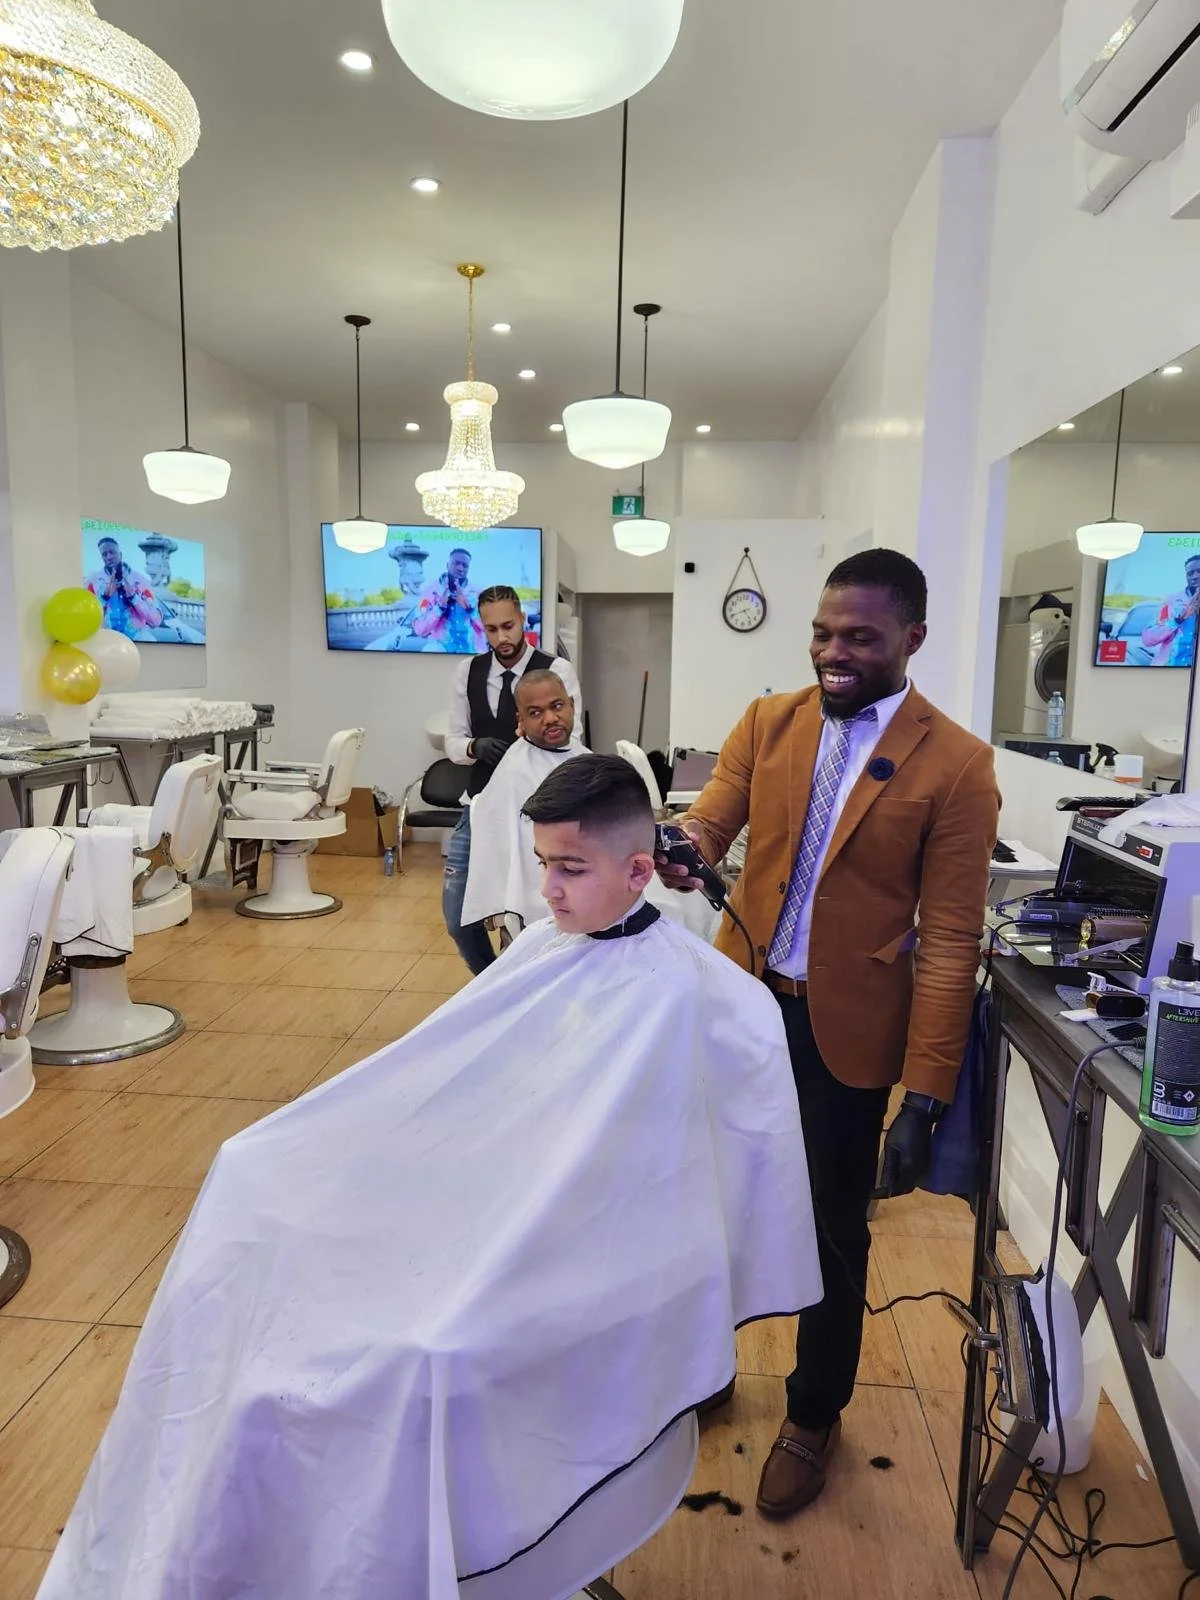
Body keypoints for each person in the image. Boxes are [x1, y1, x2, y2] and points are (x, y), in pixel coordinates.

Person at [41, 755, 822, 1600]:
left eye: (570, 870)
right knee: (252, 1190)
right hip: (484, 1205)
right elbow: (443, 1083)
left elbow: (656, 1185)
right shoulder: (542, 954)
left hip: (574, 1249)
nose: (549, 892)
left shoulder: (699, 995)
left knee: (420, 1354)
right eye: (541, 866)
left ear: (641, 871)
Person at [657, 547, 999, 1521]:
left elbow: (950, 943)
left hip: (846, 1037)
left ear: (912, 640)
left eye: (858, 637)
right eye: (821, 631)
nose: (832, 652)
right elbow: (712, 821)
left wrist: (924, 1094)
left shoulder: (959, 767)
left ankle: (814, 1414)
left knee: (830, 1232)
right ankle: (708, 1362)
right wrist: (680, 847)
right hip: (741, 1005)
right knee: (712, 1199)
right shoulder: (770, 722)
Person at [463, 670, 720, 941]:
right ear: (521, 720)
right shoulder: (515, 774)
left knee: (696, 902)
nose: (550, 718)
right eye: (536, 713)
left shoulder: (581, 756)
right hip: (557, 894)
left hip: (603, 871)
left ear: (572, 705)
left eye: (557, 706)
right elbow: (521, 859)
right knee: (672, 913)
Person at [442, 586, 581, 975]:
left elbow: (574, 732)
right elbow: (453, 740)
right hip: (480, 804)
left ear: (523, 620)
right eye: (490, 630)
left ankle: (523, 985)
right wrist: (474, 747)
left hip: (535, 807)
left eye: (508, 626)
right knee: (459, 918)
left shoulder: (556, 670)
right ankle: (491, 983)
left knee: (525, 913)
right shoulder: (469, 671)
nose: (501, 638)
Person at [411, 546, 486, 653]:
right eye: (456, 563)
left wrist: (471, 610)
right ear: (447, 565)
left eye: (465, 566)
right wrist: (440, 608)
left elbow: (489, 627)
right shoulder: (430, 591)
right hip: (441, 653)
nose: (460, 568)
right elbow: (419, 629)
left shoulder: (478, 592)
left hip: (473, 653)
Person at [85, 537, 162, 638]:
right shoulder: (93, 582)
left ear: (120, 554)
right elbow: (86, 618)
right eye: (104, 554)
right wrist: (104, 598)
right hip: (107, 642)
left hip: (139, 641)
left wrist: (133, 597)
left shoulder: (140, 580)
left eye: (112, 552)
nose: (109, 557)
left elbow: (155, 621)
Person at [1141, 552, 1200, 666]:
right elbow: (1148, 639)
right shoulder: (1172, 601)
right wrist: (1178, 620)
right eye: (1190, 573)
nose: (1195, 576)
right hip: (1169, 670)